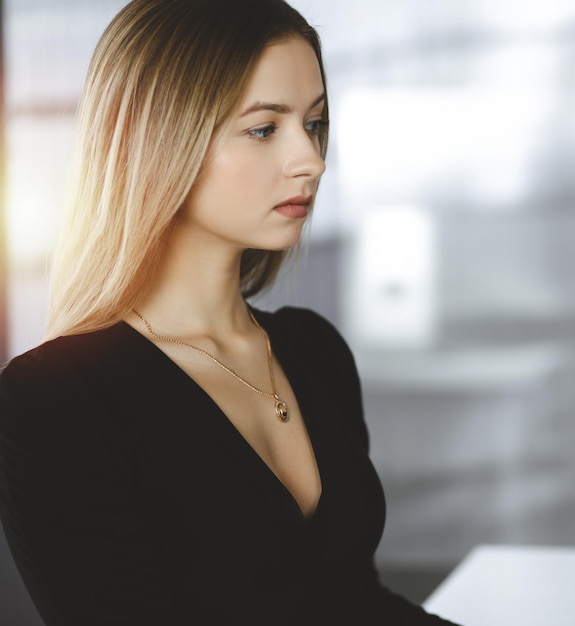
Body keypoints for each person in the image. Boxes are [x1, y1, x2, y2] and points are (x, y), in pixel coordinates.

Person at [0, 1, 461, 624]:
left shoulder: (314, 350)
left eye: (315, 123)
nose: (312, 160)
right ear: (159, 138)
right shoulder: (54, 400)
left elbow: (354, 602)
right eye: (265, 128)